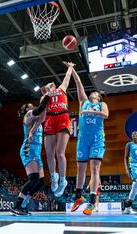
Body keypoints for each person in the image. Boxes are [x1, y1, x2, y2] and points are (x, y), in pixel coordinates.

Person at [69, 68, 108, 215]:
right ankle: (78, 197)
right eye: (92, 92)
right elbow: (79, 83)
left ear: (98, 97)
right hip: (83, 138)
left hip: (97, 139)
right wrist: (72, 69)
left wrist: (90, 112)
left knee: (94, 169)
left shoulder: (101, 105)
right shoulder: (83, 101)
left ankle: (92, 201)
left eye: (96, 93)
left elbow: (105, 115)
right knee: (80, 169)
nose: (93, 93)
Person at [10, 95, 50, 215]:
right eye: (29, 107)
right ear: (26, 110)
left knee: (41, 182)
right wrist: (49, 94)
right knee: (33, 179)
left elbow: (43, 112)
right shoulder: (27, 117)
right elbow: (40, 109)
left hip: (36, 151)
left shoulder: (38, 121)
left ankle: (24, 204)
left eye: (32, 106)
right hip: (29, 149)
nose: (32, 107)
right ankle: (17, 206)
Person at [43, 61, 74, 197]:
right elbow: (41, 112)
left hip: (62, 117)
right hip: (50, 119)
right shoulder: (45, 97)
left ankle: (63, 180)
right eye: (47, 85)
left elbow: (67, 78)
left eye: (51, 83)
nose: (50, 85)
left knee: (60, 152)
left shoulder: (61, 88)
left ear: (54, 85)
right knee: (49, 153)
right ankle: (53, 177)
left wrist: (70, 68)